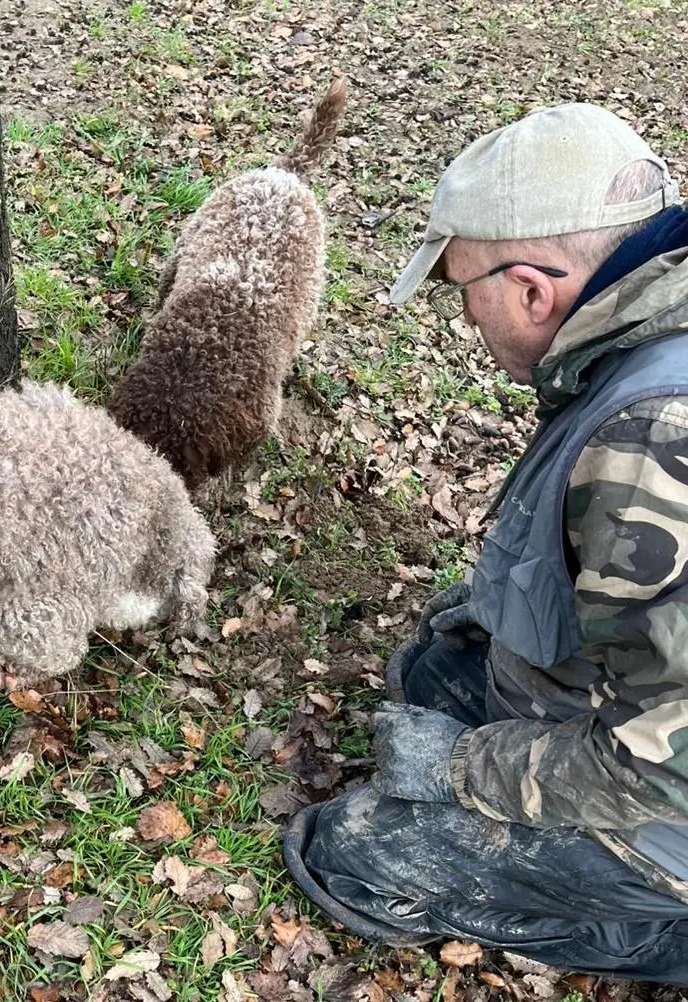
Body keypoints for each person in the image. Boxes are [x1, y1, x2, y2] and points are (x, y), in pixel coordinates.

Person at [282, 103, 688, 983]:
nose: (466, 319)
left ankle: (660, 931)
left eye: (465, 290)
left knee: (352, 852)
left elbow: (668, 768)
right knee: (429, 670)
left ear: (534, 290)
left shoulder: (653, 438)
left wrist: (464, 767)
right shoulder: (645, 334)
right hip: (637, 720)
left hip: (667, 806)